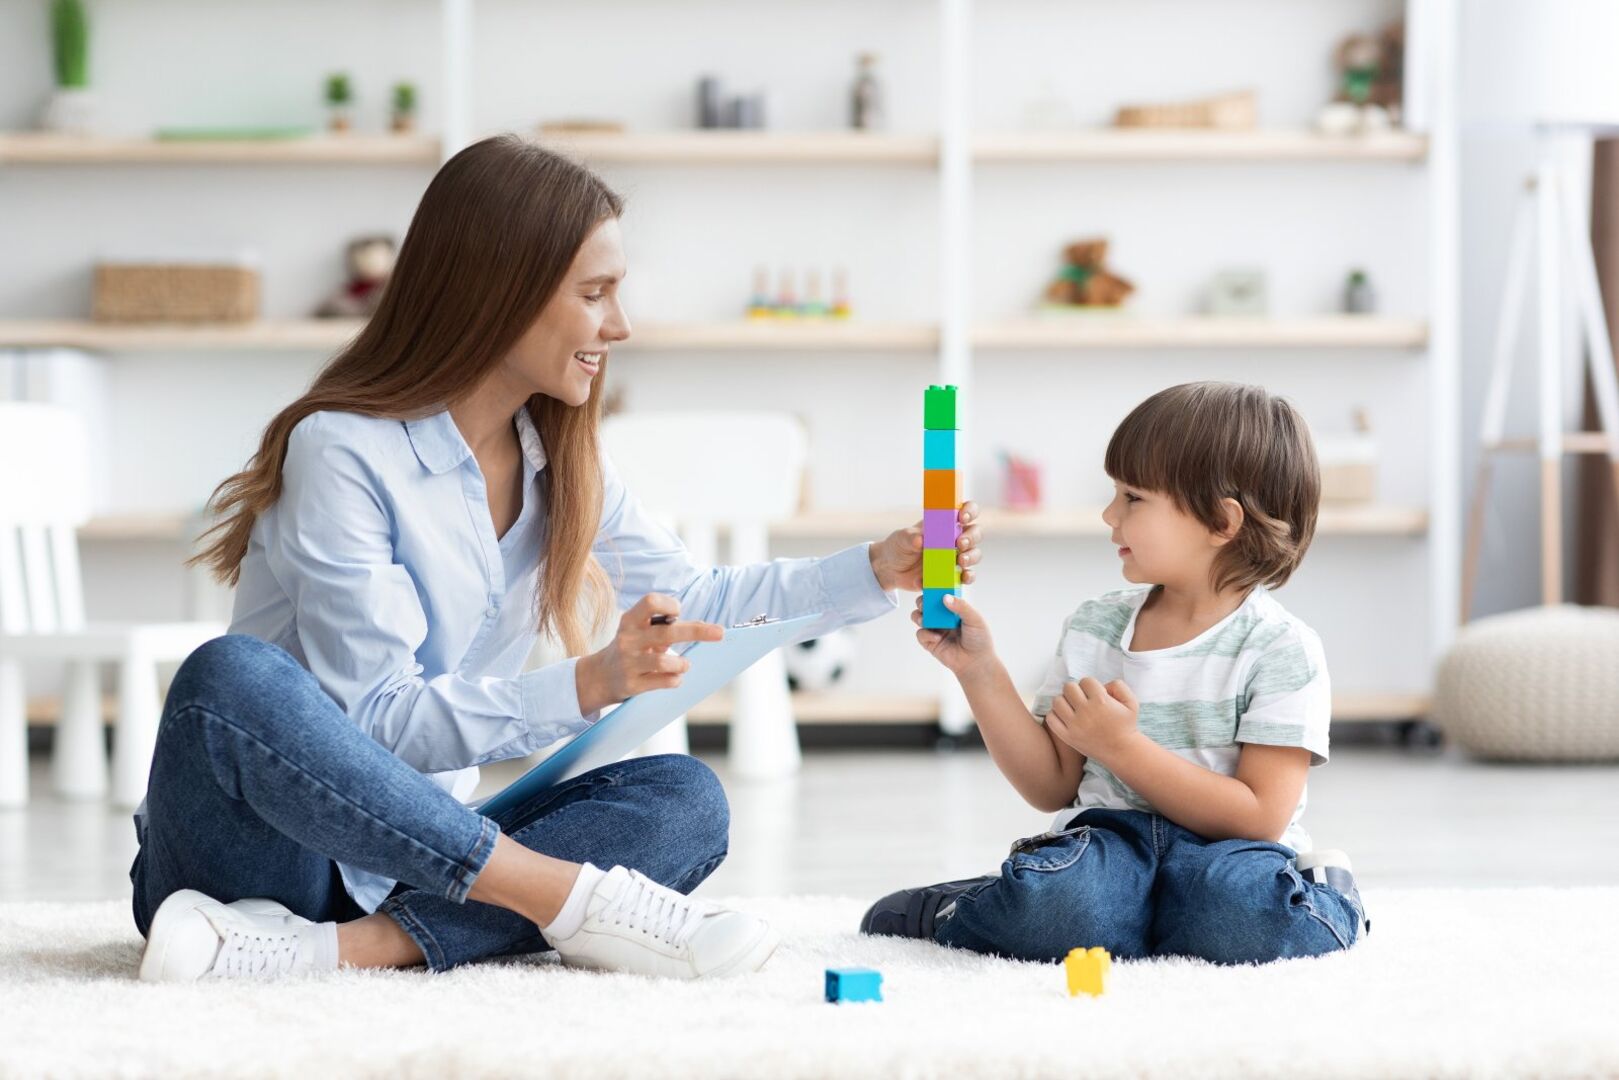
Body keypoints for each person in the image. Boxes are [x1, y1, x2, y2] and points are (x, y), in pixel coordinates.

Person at [131, 135, 982, 983]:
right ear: (498, 292)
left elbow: (694, 593)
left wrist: (878, 568)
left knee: (683, 802)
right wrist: (587, 683)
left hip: (409, 863)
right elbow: (377, 726)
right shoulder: (343, 450)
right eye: (594, 293)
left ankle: (333, 951)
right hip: (264, 853)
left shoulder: (561, 459)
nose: (619, 325)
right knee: (230, 678)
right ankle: (565, 902)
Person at [860, 382, 1366, 965]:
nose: (1109, 514)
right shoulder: (1096, 627)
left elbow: (1258, 816)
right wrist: (979, 669)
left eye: (1133, 498)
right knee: (1062, 904)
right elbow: (1050, 785)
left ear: (1221, 523)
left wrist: (1123, 748)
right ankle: (973, 907)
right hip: (1111, 843)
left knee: (1245, 920)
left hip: (1229, 856)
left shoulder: (1282, 648)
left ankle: (1328, 892)